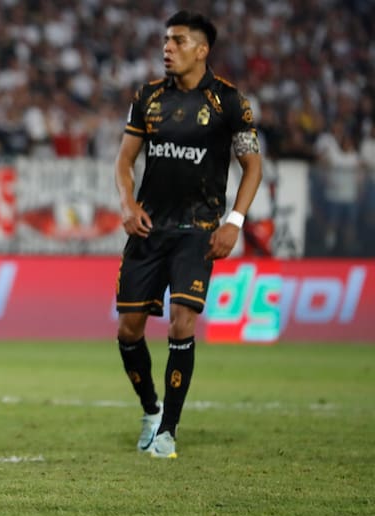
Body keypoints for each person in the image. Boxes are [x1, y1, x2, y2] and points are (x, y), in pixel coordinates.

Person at [113, 11, 262, 459]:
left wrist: (234, 222)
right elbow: (123, 162)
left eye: (177, 41)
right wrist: (128, 204)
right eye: (165, 40)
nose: (167, 48)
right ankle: (151, 410)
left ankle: (168, 434)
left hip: (198, 231)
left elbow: (252, 166)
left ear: (202, 50)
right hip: (149, 228)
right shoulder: (147, 98)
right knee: (128, 329)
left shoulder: (230, 102)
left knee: (182, 321)